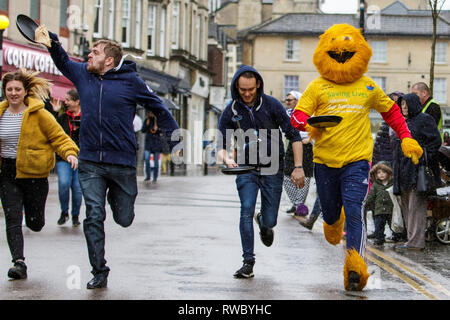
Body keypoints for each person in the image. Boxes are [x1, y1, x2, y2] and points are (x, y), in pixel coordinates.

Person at [38, 26, 179, 288]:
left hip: (122, 163)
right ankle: (99, 270)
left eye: (95, 52)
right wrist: (52, 42)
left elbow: (158, 106)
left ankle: (117, 199)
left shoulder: (131, 82)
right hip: (90, 161)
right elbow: (63, 61)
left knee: (124, 219)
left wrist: (174, 142)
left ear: (109, 60)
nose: (89, 55)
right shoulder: (83, 75)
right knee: (93, 214)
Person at [290, 24, 423, 291]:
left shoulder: (368, 86)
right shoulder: (317, 86)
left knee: (355, 210)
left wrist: (407, 136)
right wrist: (308, 123)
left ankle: (355, 266)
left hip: (358, 162)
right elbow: (297, 116)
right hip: (325, 162)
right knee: (330, 213)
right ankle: (331, 221)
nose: (340, 52)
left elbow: (392, 113)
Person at [218, 65, 305, 279]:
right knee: (245, 210)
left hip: (272, 168)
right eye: (242, 90)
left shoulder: (273, 106)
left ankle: (265, 223)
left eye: (250, 89)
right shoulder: (231, 110)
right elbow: (220, 143)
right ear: (236, 87)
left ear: (258, 85)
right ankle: (248, 262)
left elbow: (294, 136)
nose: (246, 94)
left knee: (270, 221)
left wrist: (298, 167)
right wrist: (227, 158)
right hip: (246, 169)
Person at [0, 68, 79, 280]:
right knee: (13, 218)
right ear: (5, 91)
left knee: (36, 223)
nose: (14, 93)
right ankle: (19, 262)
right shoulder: (0, 113)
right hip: (7, 173)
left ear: (26, 91)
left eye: (18, 89)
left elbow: (59, 138)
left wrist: (70, 154)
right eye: (9, 89)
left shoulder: (40, 114)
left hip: (35, 175)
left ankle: (35, 219)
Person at [392, 93, 442, 251]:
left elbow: (436, 142)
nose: (404, 107)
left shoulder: (425, 119)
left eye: (406, 104)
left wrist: (421, 155)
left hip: (417, 170)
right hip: (403, 170)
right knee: (406, 206)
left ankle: (415, 242)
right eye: (402, 105)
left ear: (414, 104)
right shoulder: (403, 121)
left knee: (416, 207)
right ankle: (410, 239)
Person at [283, 91, 313, 216]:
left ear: (297, 101)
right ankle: (297, 203)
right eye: (287, 100)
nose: (287, 102)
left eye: (290, 100)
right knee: (286, 175)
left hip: (306, 146)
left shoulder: (308, 113)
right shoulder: (286, 114)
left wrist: (309, 139)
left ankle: (299, 204)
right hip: (292, 144)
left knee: (304, 176)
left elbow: (316, 128)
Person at [56, 88, 83, 227]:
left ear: (77, 101)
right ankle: (64, 212)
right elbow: (53, 133)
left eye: (68, 100)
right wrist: (55, 112)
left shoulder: (86, 117)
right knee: (64, 183)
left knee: (78, 188)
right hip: (64, 158)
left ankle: (75, 215)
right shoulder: (62, 118)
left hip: (82, 159)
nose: (65, 102)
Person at [365, 162, 394, 246]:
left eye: (384, 172)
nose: (381, 174)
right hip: (379, 210)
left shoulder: (392, 183)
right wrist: (365, 203)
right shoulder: (375, 185)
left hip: (390, 209)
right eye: (379, 173)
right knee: (379, 226)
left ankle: (396, 236)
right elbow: (371, 195)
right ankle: (379, 238)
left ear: (388, 173)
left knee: (392, 224)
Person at [142, 111, 163, 183]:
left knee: (156, 162)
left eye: (152, 112)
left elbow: (162, 131)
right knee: (147, 159)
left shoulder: (158, 120)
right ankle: (148, 176)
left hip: (156, 144)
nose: (151, 114)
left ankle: (155, 177)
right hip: (148, 143)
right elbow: (143, 130)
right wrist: (146, 125)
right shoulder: (147, 120)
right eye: (149, 112)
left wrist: (158, 129)